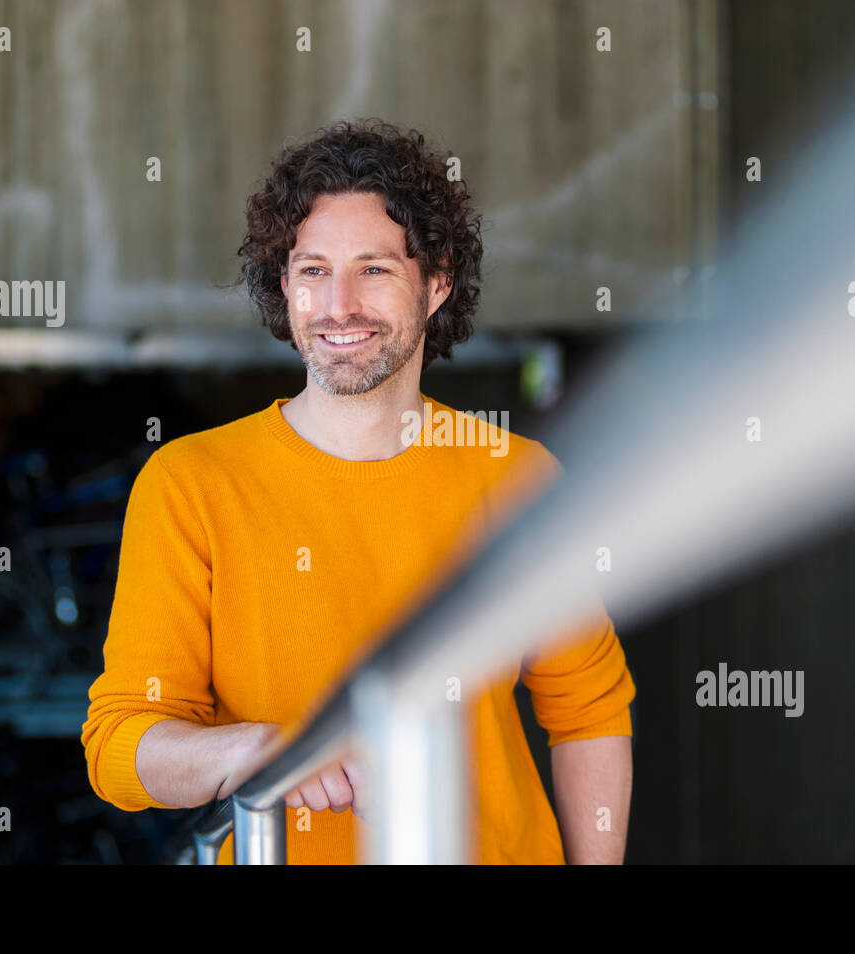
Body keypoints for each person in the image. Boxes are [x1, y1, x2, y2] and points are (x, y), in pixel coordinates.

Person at [81, 118, 635, 864]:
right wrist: (252, 752)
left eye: (373, 269)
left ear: (436, 282)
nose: (339, 304)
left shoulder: (516, 477)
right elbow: (121, 747)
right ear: (283, 285)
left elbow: (589, 714)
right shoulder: (191, 484)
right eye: (312, 271)